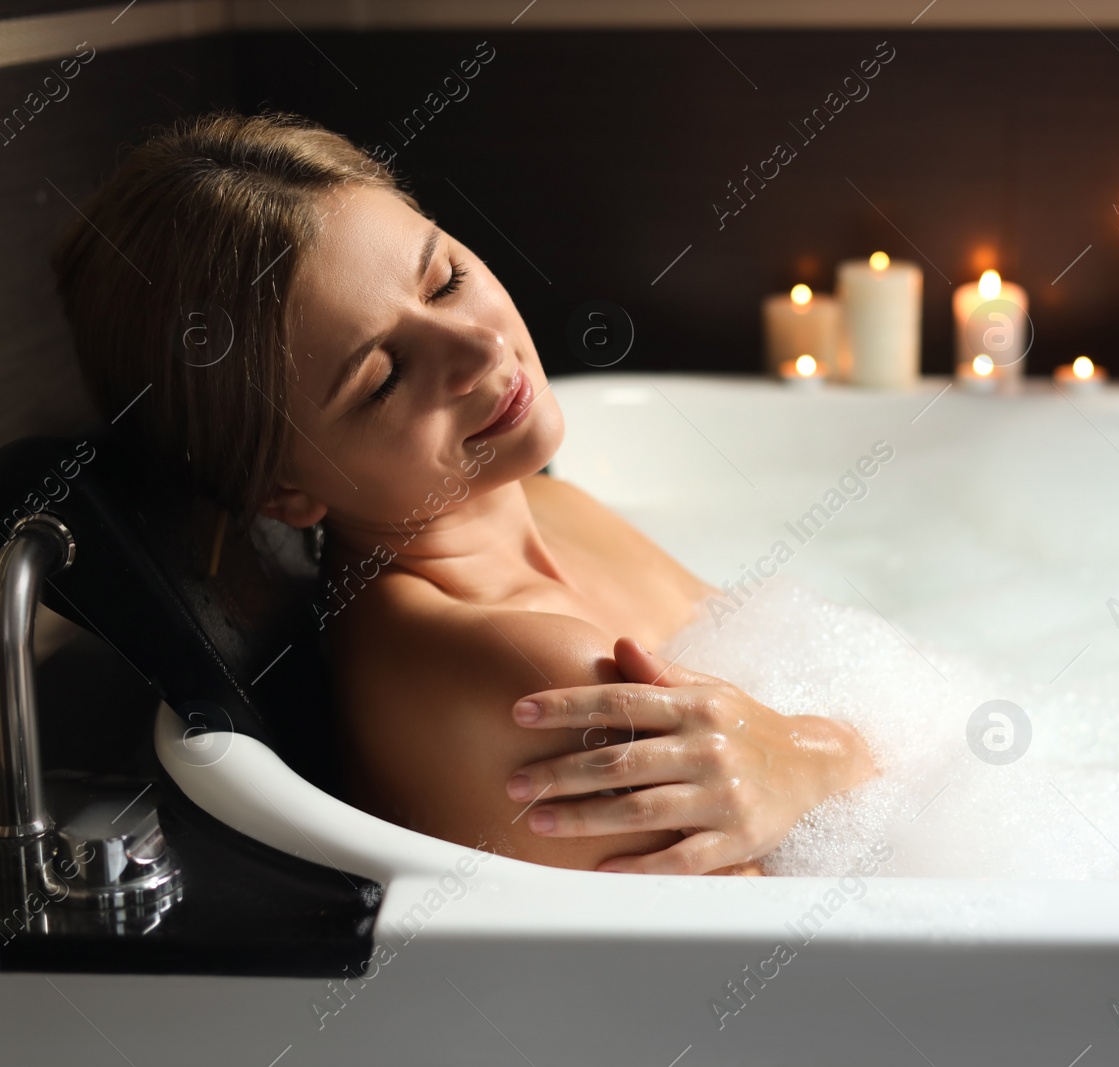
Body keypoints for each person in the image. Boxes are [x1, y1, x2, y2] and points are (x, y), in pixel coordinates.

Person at [49, 110, 877, 876]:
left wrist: (818, 753)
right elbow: (818, 969)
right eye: (382, 377)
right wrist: (824, 755)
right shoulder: (525, 677)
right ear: (284, 491)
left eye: (444, 280)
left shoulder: (546, 505)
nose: (479, 345)